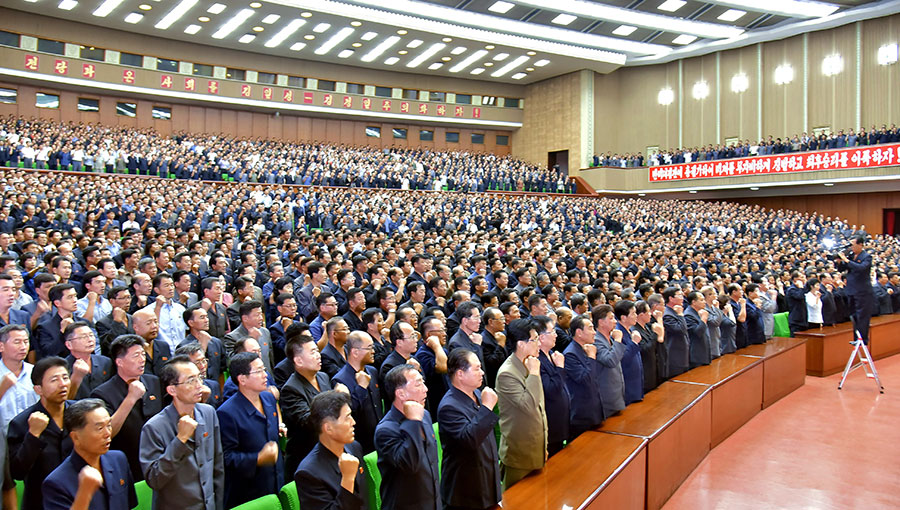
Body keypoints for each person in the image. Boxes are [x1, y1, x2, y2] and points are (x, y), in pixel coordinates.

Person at [140, 355, 225, 510]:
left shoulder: (208, 413)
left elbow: (217, 466)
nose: (199, 385)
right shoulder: (154, 427)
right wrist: (180, 440)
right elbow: (155, 479)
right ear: (172, 390)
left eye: (199, 378)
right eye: (191, 381)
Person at [90, 334, 164, 481]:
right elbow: (107, 433)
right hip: (126, 464)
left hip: (157, 459)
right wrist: (130, 399)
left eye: (143, 354)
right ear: (120, 362)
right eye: (136, 356)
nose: (142, 359)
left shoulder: (154, 382)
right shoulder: (102, 393)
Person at [216, 351, 284, 508]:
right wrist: (258, 458)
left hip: (276, 479)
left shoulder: (268, 398)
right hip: (249, 490)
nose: (265, 375)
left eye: (264, 369)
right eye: (258, 371)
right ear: (242, 379)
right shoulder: (227, 413)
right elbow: (226, 458)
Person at [42, 399, 136, 510]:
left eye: (109, 425)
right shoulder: (56, 483)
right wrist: (84, 493)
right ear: (76, 437)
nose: (107, 433)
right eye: (100, 428)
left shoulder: (118, 460)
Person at [437, 349, 501, 510]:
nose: (482, 372)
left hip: (486, 479)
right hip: (466, 491)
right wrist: (487, 407)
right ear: (460, 374)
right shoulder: (449, 406)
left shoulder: (477, 394)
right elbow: (469, 440)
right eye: (477, 368)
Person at [7, 357, 73, 510]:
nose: (62, 384)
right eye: (54, 380)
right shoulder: (21, 423)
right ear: (38, 389)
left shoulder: (79, 415)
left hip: (78, 496)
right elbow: (17, 471)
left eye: (65, 378)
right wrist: (33, 435)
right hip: (41, 501)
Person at [374, 364, 441, 510]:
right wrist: (413, 422)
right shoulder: (385, 430)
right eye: (418, 384)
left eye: (423, 383)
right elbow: (410, 464)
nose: (425, 389)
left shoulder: (424, 415)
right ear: (401, 394)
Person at [295, 390, 368, 510]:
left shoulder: (354, 447)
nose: (353, 422)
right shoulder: (308, 473)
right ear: (328, 428)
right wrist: (348, 479)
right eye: (347, 418)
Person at [495, 318, 546, 488]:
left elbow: (540, 408)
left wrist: (543, 446)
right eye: (535, 339)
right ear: (521, 344)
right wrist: (534, 373)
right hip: (519, 454)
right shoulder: (507, 373)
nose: (539, 343)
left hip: (536, 447)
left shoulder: (530, 363)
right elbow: (529, 406)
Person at [281, 334, 334, 476]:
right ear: (298, 360)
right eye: (312, 352)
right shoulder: (291, 389)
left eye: (317, 351)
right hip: (306, 458)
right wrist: (335, 399)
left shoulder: (323, 377)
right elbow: (307, 422)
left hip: (329, 450)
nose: (318, 355)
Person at [331, 331, 382, 454]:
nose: (373, 351)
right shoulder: (340, 380)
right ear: (355, 352)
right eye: (369, 348)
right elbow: (348, 412)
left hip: (379, 439)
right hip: (360, 445)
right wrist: (361, 388)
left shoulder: (372, 371)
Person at [837, 235, 876, 343]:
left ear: (860, 244)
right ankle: (856, 338)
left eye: (853, 244)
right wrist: (840, 261)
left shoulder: (867, 257)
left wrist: (847, 260)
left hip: (863, 291)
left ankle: (863, 339)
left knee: (862, 316)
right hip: (851, 290)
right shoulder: (850, 256)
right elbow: (841, 269)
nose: (851, 247)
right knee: (853, 316)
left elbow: (861, 268)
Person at [0, 324, 38, 432]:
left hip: (32, 433)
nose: (23, 347)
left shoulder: (35, 372)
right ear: (1, 346)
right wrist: (2, 389)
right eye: (17, 342)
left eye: (26, 342)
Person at [591, 304, 626, 418]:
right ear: (601, 322)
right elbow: (610, 361)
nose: (615, 321)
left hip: (617, 392)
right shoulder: (596, 341)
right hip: (606, 396)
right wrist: (618, 340)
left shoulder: (610, 338)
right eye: (611, 318)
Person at [64, 322, 113, 400]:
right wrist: (76, 377)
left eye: (91, 335)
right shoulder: (62, 368)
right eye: (83, 337)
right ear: (69, 344)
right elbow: (63, 400)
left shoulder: (105, 362)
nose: (90, 340)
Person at [224, 301, 275, 374]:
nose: (261, 318)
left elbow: (270, 359)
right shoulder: (232, 337)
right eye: (257, 315)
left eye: (261, 314)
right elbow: (232, 363)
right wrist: (251, 339)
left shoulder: (265, 332)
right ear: (245, 318)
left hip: (266, 376)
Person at [662, 287, 690, 377]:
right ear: (671, 298)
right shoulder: (667, 315)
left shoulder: (676, 311)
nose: (682, 298)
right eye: (679, 295)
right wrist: (680, 315)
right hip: (675, 355)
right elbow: (681, 330)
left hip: (683, 353)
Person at [684, 292, 711, 368]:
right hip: (696, 354)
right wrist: (704, 318)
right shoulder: (688, 315)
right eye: (701, 300)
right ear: (694, 302)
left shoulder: (699, 312)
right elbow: (698, 332)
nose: (704, 302)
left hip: (704, 352)